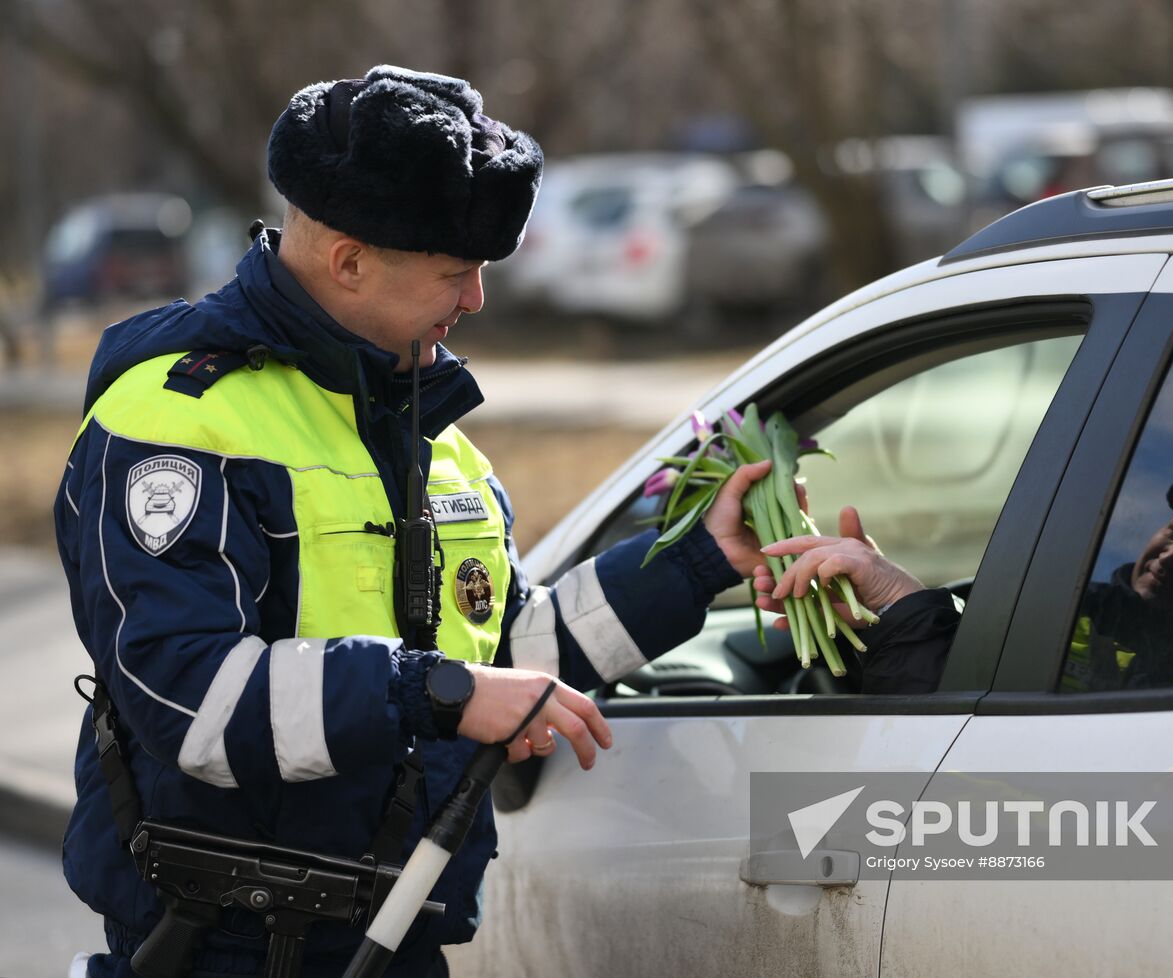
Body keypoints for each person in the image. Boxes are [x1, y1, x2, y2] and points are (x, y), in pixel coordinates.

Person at [56, 66, 771, 978]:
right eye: (454, 272)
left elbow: (506, 654)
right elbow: (186, 697)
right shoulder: (176, 418)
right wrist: (436, 693)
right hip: (222, 940)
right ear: (348, 260)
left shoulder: (424, 431)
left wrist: (699, 559)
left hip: (393, 934)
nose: (475, 301)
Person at [755, 462, 1173, 694]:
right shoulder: (1042, 602)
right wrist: (874, 627)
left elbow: (988, 781)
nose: (1170, 559)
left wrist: (903, 604)